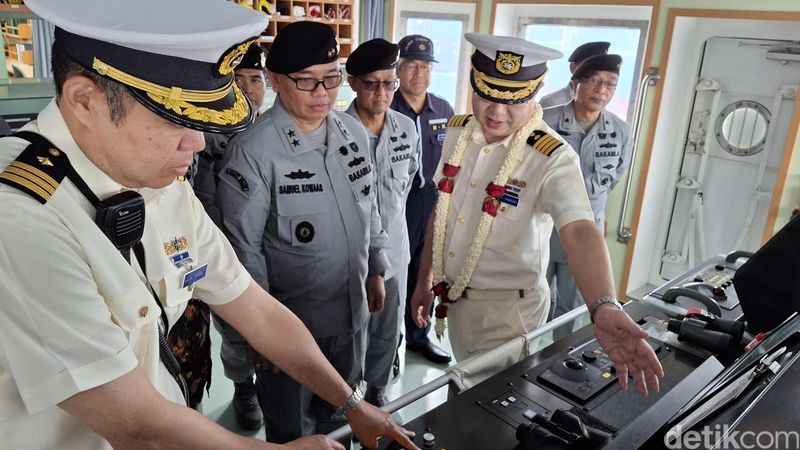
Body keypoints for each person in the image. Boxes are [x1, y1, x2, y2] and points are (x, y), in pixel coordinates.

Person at [0, 1, 416, 449]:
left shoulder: (159, 175)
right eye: (173, 116)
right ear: (85, 99)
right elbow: (135, 422)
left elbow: (254, 308)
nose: (198, 141)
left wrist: (353, 404)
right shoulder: (21, 215)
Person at [409, 32, 663, 396]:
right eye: (487, 95)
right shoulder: (458, 132)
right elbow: (444, 209)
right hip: (456, 302)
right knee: (462, 393)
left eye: (513, 100)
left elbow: (578, 229)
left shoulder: (551, 156)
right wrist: (424, 279)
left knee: (487, 410)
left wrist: (604, 305)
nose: (496, 112)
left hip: (508, 314)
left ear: (536, 93)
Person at [214, 21, 393, 445]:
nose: (323, 95)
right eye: (308, 82)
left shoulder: (352, 132)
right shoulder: (253, 151)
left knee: (345, 418)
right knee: (294, 431)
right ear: (275, 80)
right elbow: (244, 251)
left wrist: (377, 266)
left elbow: (370, 206)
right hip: (290, 330)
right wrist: (258, 331)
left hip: (351, 313)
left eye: (331, 80)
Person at [192, 42, 269, 431]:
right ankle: (243, 386)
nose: (247, 88)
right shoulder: (203, 133)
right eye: (237, 79)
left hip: (270, 248)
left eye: (255, 79)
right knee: (236, 326)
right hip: (224, 245)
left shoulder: (274, 131)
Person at [344, 39, 420, 406]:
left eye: (389, 83)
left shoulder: (407, 128)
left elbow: (409, 184)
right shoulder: (334, 130)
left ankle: (377, 389)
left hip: (395, 250)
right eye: (371, 83)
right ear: (353, 83)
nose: (382, 92)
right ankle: (347, 396)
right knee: (350, 329)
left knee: (388, 327)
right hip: (348, 255)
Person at [543, 54, 633, 339]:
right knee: (533, 296)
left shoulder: (620, 131)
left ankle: (558, 360)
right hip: (543, 226)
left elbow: (614, 177)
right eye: (594, 81)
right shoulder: (545, 120)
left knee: (573, 304)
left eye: (610, 84)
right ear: (576, 83)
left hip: (587, 230)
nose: (601, 90)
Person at [391, 34, 454, 366]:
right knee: (394, 274)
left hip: (432, 201)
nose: (419, 73)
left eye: (425, 66)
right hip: (395, 204)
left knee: (424, 271)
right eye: (412, 66)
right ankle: (390, 346)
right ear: (399, 70)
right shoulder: (387, 106)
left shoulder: (443, 109)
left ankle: (418, 336)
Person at [538, 41, 609, 108]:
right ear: (573, 67)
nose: (597, 73)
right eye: (590, 66)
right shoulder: (551, 103)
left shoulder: (601, 100)